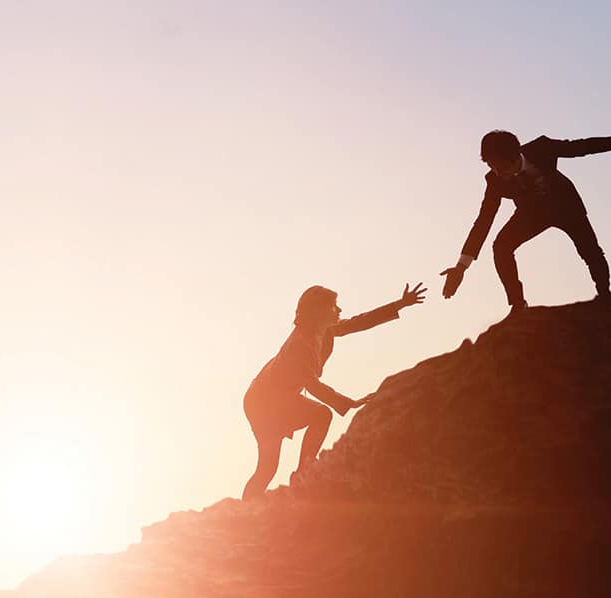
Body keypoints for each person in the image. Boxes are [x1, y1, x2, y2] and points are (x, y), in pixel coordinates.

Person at [241, 284, 426, 500]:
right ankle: (300, 475)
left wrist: (400, 304)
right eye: (333, 306)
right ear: (317, 312)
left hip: (280, 397)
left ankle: (303, 471)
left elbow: (360, 322)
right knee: (270, 465)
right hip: (263, 402)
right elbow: (312, 385)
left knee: (268, 466)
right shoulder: (299, 344)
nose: (338, 310)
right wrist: (348, 402)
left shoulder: (325, 330)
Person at [440, 130, 611, 311]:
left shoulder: (542, 148)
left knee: (590, 250)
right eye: (492, 166)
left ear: (515, 157)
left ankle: (604, 294)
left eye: (502, 167)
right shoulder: (493, 181)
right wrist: (461, 268)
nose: (498, 173)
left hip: (565, 207)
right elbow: (484, 220)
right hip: (531, 214)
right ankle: (518, 304)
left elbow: (582, 147)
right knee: (501, 246)